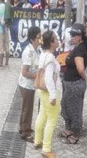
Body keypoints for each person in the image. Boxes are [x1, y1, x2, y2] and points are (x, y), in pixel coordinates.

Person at [61, 23, 87, 144]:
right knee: (66, 106)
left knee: (75, 109)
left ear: (80, 36)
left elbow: (80, 69)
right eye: (71, 34)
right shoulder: (78, 46)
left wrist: (85, 78)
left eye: (74, 35)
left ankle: (76, 133)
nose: (72, 37)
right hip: (70, 83)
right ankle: (69, 128)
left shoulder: (80, 50)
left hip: (75, 84)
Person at [34, 30, 61, 158]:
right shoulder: (50, 57)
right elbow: (49, 78)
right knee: (51, 120)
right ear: (51, 42)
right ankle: (46, 148)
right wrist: (53, 96)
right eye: (55, 39)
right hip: (48, 92)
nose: (58, 40)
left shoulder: (43, 54)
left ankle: (37, 141)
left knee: (42, 115)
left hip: (41, 90)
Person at [18, 26, 41, 142]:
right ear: (32, 39)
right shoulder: (28, 52)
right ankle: (25, 132)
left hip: (31, 85)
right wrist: (39, 76)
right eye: (38, 37)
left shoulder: (36, 50)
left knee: (27, 107)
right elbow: (25, 72)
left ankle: (23, 127)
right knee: (27, 108)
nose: (40, 39)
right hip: (27, 85)